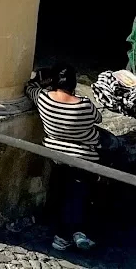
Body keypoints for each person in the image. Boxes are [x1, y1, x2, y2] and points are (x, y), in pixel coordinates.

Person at [32, 65, 102, 253]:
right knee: (77, 195)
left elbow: (29, 87)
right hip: (83, 157)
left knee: (67, 193)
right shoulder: (84, 105)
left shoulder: (43, 99)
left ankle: (75, 231)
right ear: (74, 83)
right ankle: (67, 235)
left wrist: (41, 78)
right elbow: (99, 118)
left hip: (56, 154)